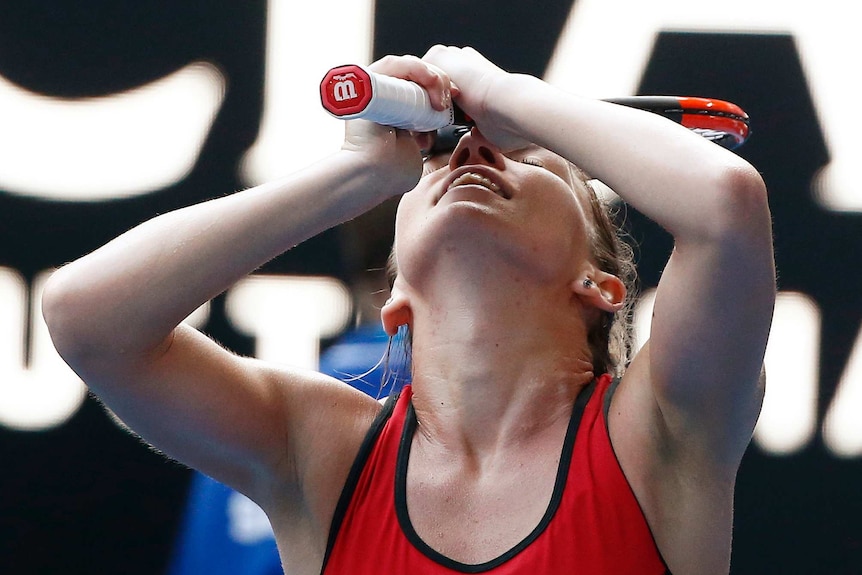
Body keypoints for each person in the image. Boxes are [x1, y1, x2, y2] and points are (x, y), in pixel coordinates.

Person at [42, 46, 775, 575]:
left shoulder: (662, 432)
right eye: (439, 162)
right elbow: (87, 316)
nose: (474, 156)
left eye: (528, 159)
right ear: (396, 300)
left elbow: (726, 203)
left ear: (600, 283)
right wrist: (357, 174)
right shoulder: (321, 451)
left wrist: (503, 93)